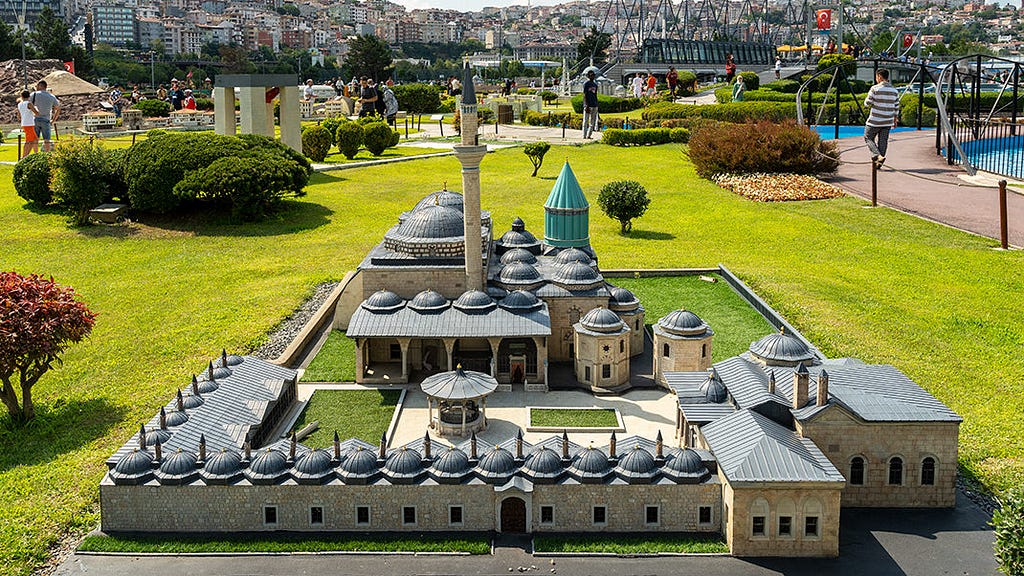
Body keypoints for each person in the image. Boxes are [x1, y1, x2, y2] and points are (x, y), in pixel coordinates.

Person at [863, 68, 900, 166]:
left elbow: (867, 103)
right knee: (883, 141)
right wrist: (895, 119)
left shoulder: (875, 88)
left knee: (868, 137)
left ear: (879, 77)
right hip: (887, 121)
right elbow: (896, 107)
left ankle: (877, 155)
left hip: (875, 120)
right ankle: (879, 162)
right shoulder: (894, 90)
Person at [30, 80, 59, 152]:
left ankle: (36, 154)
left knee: (35, 139)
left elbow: (28, 105)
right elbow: (58, 109)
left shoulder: (34, 94)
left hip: (35, 119)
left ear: (40, 86)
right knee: (47, 139)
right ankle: (47, 155)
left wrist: (35, 112)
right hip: (46, 119)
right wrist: (53, 120)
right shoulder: (51, 96)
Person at [17, 90, 38, 158]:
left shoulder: (19, 104)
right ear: (29, 96)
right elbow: (36, 112)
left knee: (35, 139)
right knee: (29, 141)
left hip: (24, 123)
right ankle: (24, 156)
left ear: (21, 96)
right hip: (29, 124)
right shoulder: (29, 103)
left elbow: (19, 116)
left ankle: (32, 154)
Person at [582, 69, 599, 139]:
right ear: (588, 76)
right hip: (588, 105)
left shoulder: (595, 85)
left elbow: (595, 95)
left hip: (594, 105)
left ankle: (589, 135)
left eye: (593, 75)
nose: (592, 76)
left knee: (593, 122)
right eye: (591, 75)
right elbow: (585, 95)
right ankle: (584, 135)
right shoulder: (586, 84)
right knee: (585, 121)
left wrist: (597, 105)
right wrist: (586, 105)